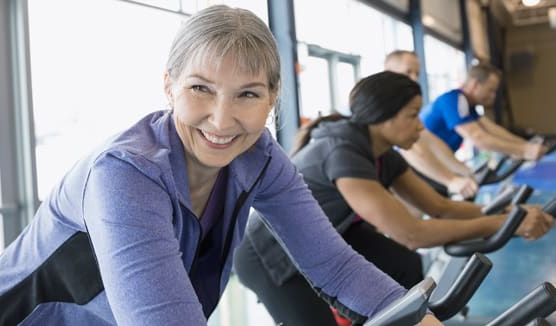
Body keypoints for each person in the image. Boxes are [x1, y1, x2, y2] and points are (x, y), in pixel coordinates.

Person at [0, 5, 442, 326]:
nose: (222, 120)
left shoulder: (258, 157)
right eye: (201, 89)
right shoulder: (123, 176)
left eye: (247, 95)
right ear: (169, 86)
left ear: (271, 100)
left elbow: (334, 265)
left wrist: (418, 316)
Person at [233, 71, 553, 326]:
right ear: (383, 117)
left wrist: (510, 214)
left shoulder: (384, 153)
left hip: (331, 238)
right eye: (413, 115)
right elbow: (411, 233)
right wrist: (505, 224)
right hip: (271, 258)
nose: (420, 125)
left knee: (403, 265)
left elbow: (439, 207)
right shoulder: (344, 151)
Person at [411, 62, 547, 174]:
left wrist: (525, 145)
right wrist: (523, 150)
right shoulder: (453, 100)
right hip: (421, 165)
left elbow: (492, 129)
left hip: (437, 165)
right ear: (474, 84)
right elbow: (478, 137)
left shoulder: (468, 106)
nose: (493, 96)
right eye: (490, 90)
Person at [385, 50, 478, 198]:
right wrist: (451, 180)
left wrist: (464, 170)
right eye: (408, 72)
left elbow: (430, 141)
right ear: (389, 71)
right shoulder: (386, 105)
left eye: (417, 74)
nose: (414, 79)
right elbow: (412, 149)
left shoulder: (404, 104)